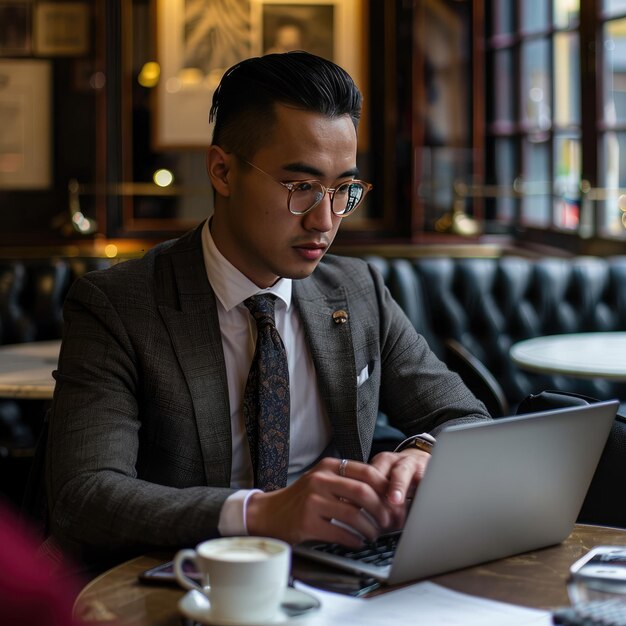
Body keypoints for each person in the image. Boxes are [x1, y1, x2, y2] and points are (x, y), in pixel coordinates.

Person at [45, 51, 490, 571]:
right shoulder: (119, 306)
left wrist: (420, 454)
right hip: (180, 578)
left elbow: (464, 416)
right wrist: (260, 514)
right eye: (300, 187)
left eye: (343, 189)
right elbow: (85, 496)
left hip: (336, 573)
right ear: (222, 170)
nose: (325, 220)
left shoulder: (358, 288)